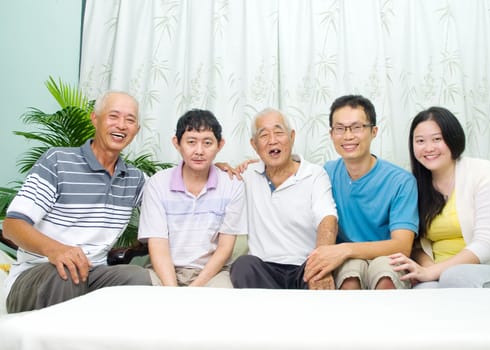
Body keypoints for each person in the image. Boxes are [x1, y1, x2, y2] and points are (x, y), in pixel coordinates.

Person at [3, 91, 152, 313]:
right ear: (95, 119)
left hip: (92, 273)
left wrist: (214, 173)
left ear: (136, 130)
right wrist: (56, 250)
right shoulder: (57, 161)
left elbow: (172, 198)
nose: (121, 125)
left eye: (130, 120)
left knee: (138, 277)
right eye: (113, 116)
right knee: (68, 272)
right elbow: (12, 226)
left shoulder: (135, 179)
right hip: (38, 274)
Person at [389, 106, 490, 288]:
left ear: (453, 138)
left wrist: (434, 272)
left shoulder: (484, 173)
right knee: (423, 291)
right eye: (420, 141)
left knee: (455, 276)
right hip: (441, 273)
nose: (429, 148)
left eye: (437, 139)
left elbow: (487, 244)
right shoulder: (414, 184)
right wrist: (429, 268)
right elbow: (415, 246)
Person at [303, 94, 419, 290]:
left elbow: (402, 244)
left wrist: (344, 250)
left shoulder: (401, 181)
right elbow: (292, 172)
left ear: (373, 131)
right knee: (349, 279)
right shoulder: (325, 174)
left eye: (357, 127)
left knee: (386, 278)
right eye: (340, 129)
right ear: (331, 134)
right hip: (347, 260)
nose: (348, 136)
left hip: (385, 256)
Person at [229, 108, 338, 290]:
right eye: (263, 135)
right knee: (242, 265)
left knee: (317, 276)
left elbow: (328, 219)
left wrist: (320, 265)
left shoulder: (314, 174)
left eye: (279, 132)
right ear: (254, 145)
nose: (272, 140)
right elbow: (212, 177)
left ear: (292, 136)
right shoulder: (246, 176)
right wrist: (220, 166)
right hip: (264, 268)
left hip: (304, 267)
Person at [138, 109, 246, 287]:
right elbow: (158, 245)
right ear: (177, 143)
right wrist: (173, 290)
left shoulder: (232, 184)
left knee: (224, 299)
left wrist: (193, 290)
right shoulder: (157, 184)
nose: (199, 151)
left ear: (220, 145)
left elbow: (225, 248)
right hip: (164, 271)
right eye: (191, 142)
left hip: (212, 274)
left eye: (208, 143)